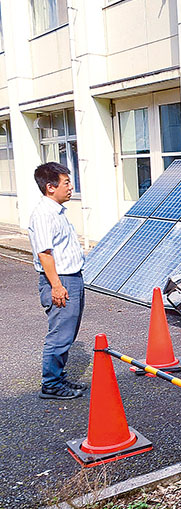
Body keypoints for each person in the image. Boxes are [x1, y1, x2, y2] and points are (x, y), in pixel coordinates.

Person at [28, 162, 88, 400]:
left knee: (68, 333)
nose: (71, 187)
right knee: (60, 335)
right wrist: (56, 285)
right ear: (50, 187)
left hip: (71, 277)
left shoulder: (58, 212)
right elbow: (45, 253)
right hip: (60, 280)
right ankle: (51, 384)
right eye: (66, 183)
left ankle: (58, 377)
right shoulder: (44, 214)